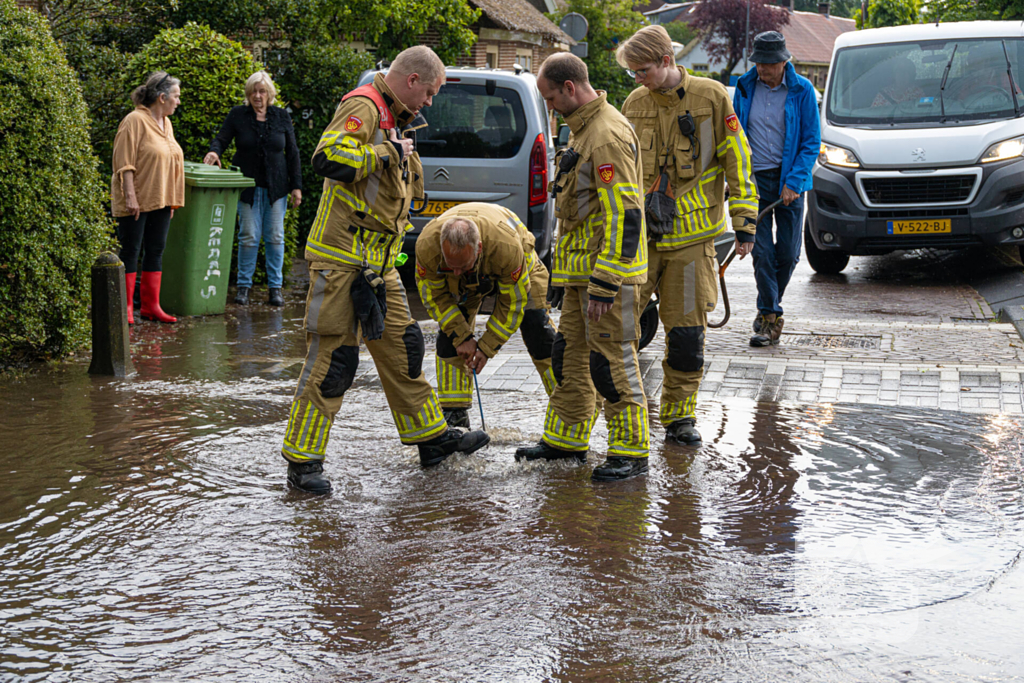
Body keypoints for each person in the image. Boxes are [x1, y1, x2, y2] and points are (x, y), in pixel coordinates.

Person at [280, 46, 488, 495]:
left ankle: (431, 440)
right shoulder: (365, 106)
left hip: (380, 263)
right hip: (341, 260)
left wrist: (391, 149)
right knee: (333, 360)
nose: (429, 102)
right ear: (412, 80)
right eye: (429, 93)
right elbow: (327, 159)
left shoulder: (396, 116)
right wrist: (384, 153)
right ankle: (303, 461)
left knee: (404, 349)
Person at [618, 25, 759, 446]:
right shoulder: (634, 102)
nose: (637, 78)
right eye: (632, 72)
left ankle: (679, 418)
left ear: (666, 61)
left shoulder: (711, 97)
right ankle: (623, 414)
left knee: (685, 337)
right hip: (641, 241)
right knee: (617, 330)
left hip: (692, 242)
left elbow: (738, 159)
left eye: (642, 70)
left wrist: (744, 222)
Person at [514, 53, 650, 483]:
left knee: (612, 364)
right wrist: (563, 276)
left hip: (606, 280)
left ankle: (631, 451)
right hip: (579, 278)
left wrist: (606, 281)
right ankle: (565, 440)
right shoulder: (584, 130)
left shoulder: (605, 135)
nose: (550, 107)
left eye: (551, 98)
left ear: (570, 88)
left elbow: (624, 215)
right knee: (568, 358)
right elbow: (578, 214)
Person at [416, 203, 557, 428]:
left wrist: (486, 348)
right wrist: (463, 337)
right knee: (451, 334)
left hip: (520, 268)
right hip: (469, 281)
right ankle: (454, 416)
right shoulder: (427, 246)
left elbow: (512, 304)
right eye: (451, 266)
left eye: (462, 266)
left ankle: (567, 404)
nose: (456, 272)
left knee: (537, 328)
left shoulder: (507, 248)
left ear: (478, 248)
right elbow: (434, 297)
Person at [733, 31, 821, 347]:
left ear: (783, 62)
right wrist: (735, 179)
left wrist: (794, 182)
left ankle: (767, 308)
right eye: (758, 63)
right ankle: (769, 317)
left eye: (768, 64)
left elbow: (811, 141)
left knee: (788, 253)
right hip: (755, 183)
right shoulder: (744, 88)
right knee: (761, 253)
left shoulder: (802, 90)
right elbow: (734, 137)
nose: (762, 69)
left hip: (789, 183)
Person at [204, 71, 302, 307]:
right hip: (247, 188)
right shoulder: (238, 115)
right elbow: (222, 138)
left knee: (275, 236)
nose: (258, 96)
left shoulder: (281, 116)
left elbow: (293, 153)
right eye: (253, 92)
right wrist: (214, 151)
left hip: (276, 188)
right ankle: (244, 287)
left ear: (270, 94)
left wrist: (296, 186)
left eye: (262, 91)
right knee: (248, 236)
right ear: (248, 94)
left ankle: (275, 288)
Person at [110, 71, 185, 325]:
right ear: (162, 97)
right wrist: (131, 196)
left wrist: (171, 199)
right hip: (137, 200)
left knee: (156, 250)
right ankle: (126, 307)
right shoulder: (134, 121)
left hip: (161, 199)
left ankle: (151, 307)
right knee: (131, 250)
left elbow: (170, 161)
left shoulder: (167, 123)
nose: (178, 101)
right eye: (176, 96)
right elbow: (124, 162)